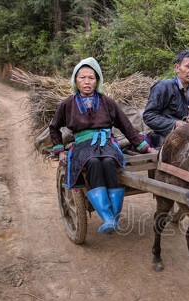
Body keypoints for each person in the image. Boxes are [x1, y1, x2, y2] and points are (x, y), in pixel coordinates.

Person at [49, 57, 156, 234]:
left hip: (107, 144)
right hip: (83, 146)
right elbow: (54, 127)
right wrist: (59, 151)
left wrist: (145, 148)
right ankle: (107, 217)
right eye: (82, 77)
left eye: (91, 77)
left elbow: (127, 128)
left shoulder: (108, 103)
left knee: (107, 162)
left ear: (97, 80)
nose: (87, 81)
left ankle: (113, 217)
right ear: (75, 80)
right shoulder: (67, 104)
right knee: (93, 163)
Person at [143, 50, 189, 148]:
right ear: (177, 68)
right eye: (188, 66)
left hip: (186, 139)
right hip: (164, 140)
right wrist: (175, 124)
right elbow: (149, 116)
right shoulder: (164, 86)